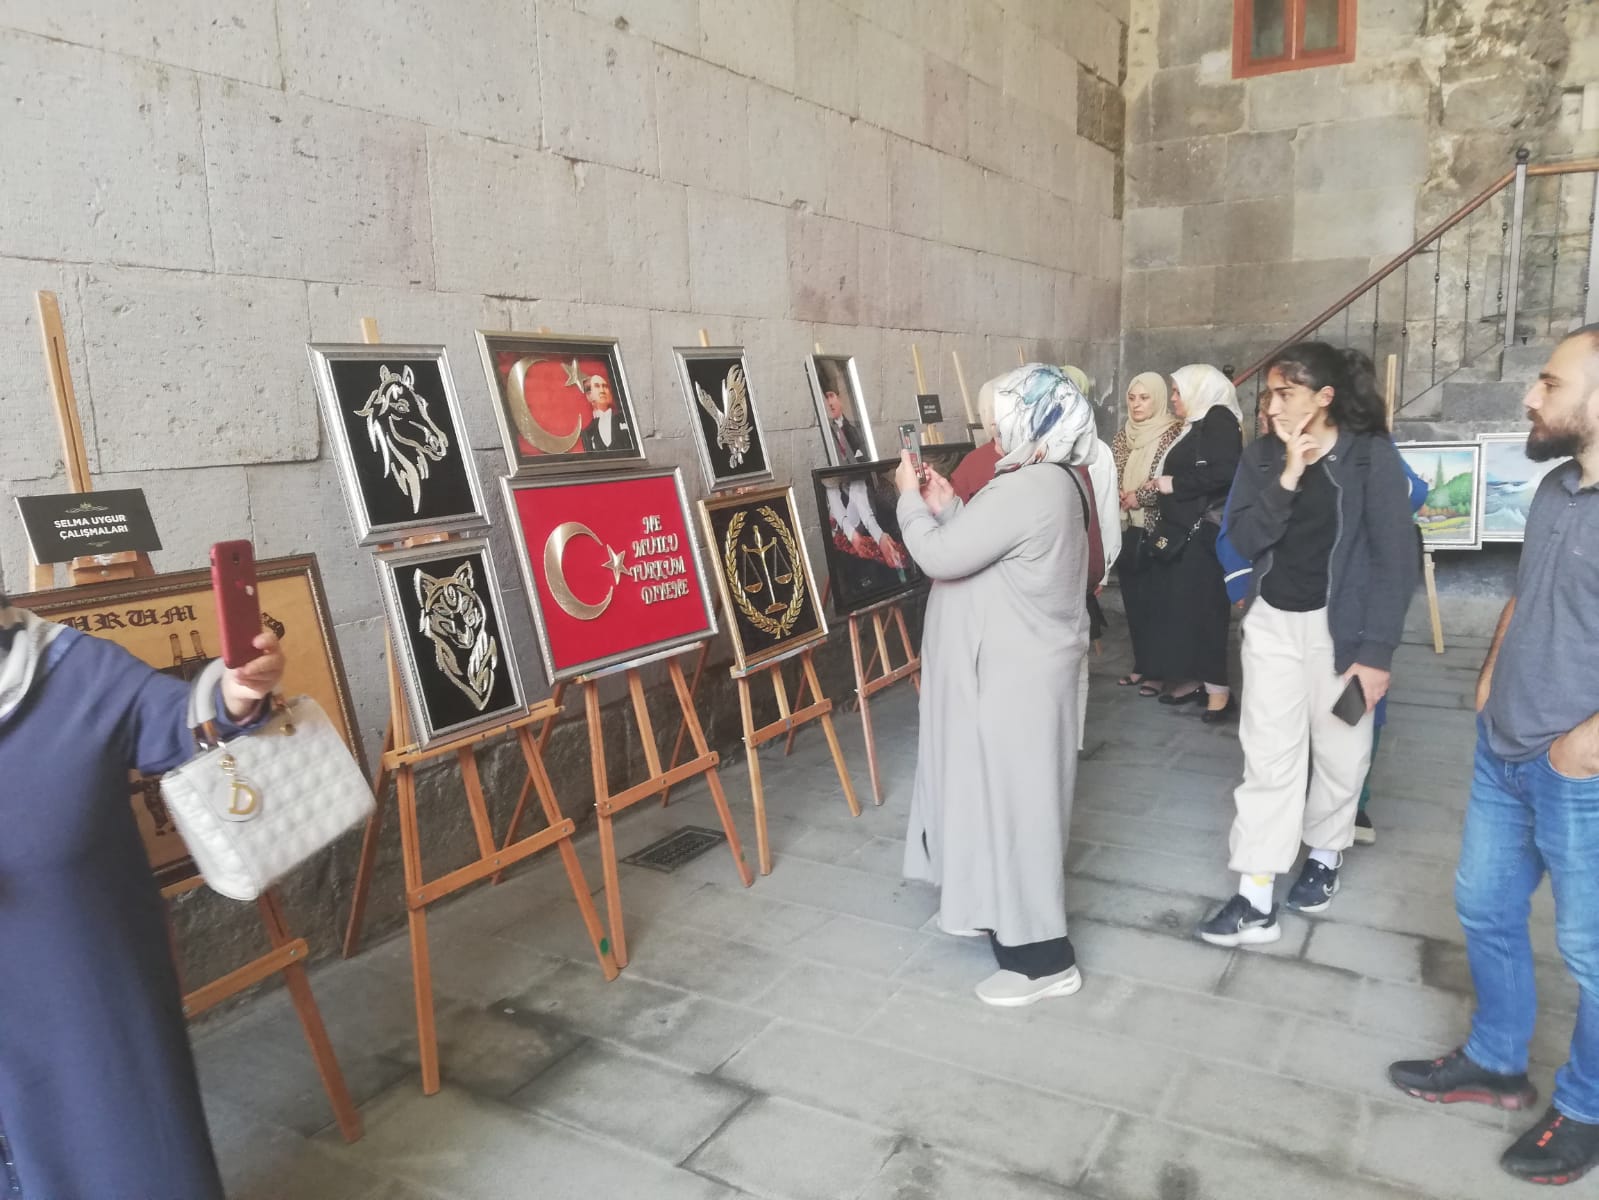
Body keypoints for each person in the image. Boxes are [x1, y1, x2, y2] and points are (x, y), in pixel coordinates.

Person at [1387, 325, 1599, 1186]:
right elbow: (1527, 593)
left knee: (1590, 954)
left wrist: (1583, 746)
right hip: (1502, 750)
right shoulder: (1555, 488)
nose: (1528, 396)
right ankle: (1496, 1060)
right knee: (1482, 906)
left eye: (1548, 383)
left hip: (1576, 774)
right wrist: (1486, 678)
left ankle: (1585, 1109)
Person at [0, 594, 285, 1199]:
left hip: (84, 998)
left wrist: (236, 694)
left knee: (121, 1159)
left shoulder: (73, 670)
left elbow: (183, 719)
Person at [1197, 342, 1418, 948]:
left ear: (1324, 397)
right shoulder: (1263, 456)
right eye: (1269, 394)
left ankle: (1324, 853)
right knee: (1268, 756)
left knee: (1343, 749)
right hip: (1273, 625)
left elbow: (1395, 560)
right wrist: (1289, 476)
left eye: (1284, 394)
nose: (1270, 406)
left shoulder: (1369, 455)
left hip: (1343, 632)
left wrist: (1377, 654)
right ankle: (1255, 895)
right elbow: (1244, 538)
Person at [895, 364, 1095, 1008]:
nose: (994, 433)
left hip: (1016, 681)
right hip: (1020, 674)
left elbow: (941, 557)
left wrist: (907, 500)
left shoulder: (1030, 486)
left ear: (1032, 421)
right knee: (999, 805)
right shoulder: (1048, 479)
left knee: (1018, 811)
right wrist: (947, 507)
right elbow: (995, 549)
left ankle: (1043, 961)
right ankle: (996, 916)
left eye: (1001, 422)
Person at [1142, 364, 1243, 722]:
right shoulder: (1198, 422)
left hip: (1202, 535)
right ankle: (1202, 682)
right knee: (1191, 610)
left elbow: (1226, 471)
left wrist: (1175, 485)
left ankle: (1219, 693)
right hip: (1188, 533)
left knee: (1207, 612)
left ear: (1199, 389)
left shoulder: (1218, 418)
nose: (1173, 398)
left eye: (1177, 391)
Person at [1111, 371, 1184, 696]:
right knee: (1135, 601)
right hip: (1127, 528)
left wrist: (1139, 497)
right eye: (1132, 398)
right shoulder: (1122, 436)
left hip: (1157, 529)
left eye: (1144, 398)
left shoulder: (1173, 433)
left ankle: (1159, 671)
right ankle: (1141, 665)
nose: (1136, 404)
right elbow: (1112, 472)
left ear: (1158, 399)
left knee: (1159, 604)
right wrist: (1118, 493)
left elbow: (1172, 478)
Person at [579, 371, 632, 453]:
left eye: (605, 386)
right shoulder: (587, 432)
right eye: (597, 386)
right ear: (589, 396)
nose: (602, 390)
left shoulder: (626, 417)